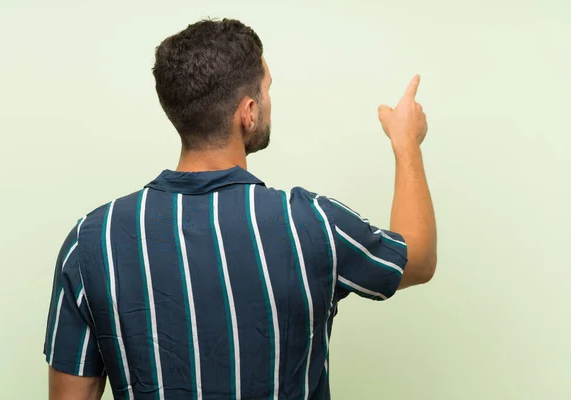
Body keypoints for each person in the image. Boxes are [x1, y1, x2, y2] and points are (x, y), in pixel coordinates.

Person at [44, 18, 437, 400]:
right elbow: (417, 258)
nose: (269, 101)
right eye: (267, 90)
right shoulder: (313, 223)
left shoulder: (91, 242)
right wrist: (406, 142)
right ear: (248, 112)